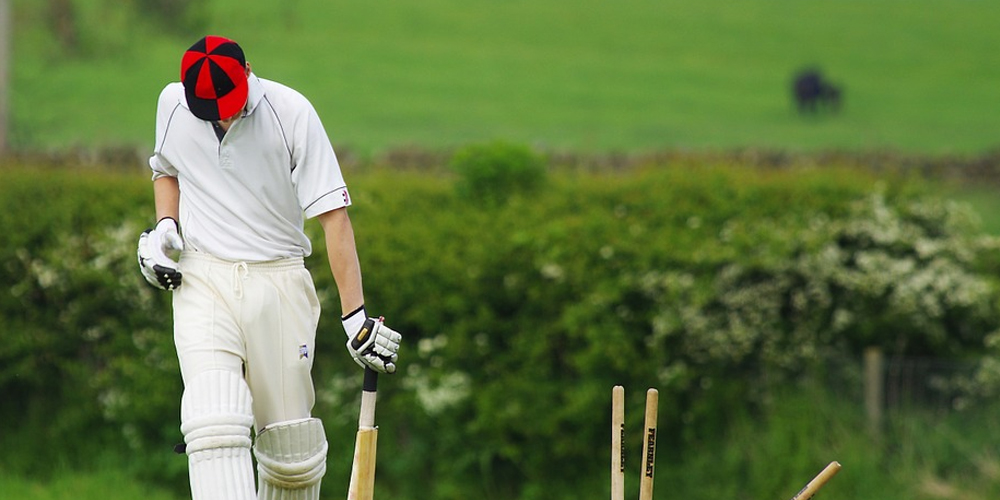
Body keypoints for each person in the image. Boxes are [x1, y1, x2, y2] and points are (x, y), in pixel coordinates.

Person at [136, 35, 401, 500]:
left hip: (278, 280)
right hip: (203, 277)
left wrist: (355, 317)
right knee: (213, 423)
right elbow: (166, 169)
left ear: (248, 72)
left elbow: (334, 217)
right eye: (211, 111)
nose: (222, 117)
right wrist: (164, 228)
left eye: (229, 106)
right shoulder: (173, 104)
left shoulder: (291, 113)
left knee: (291, 458)